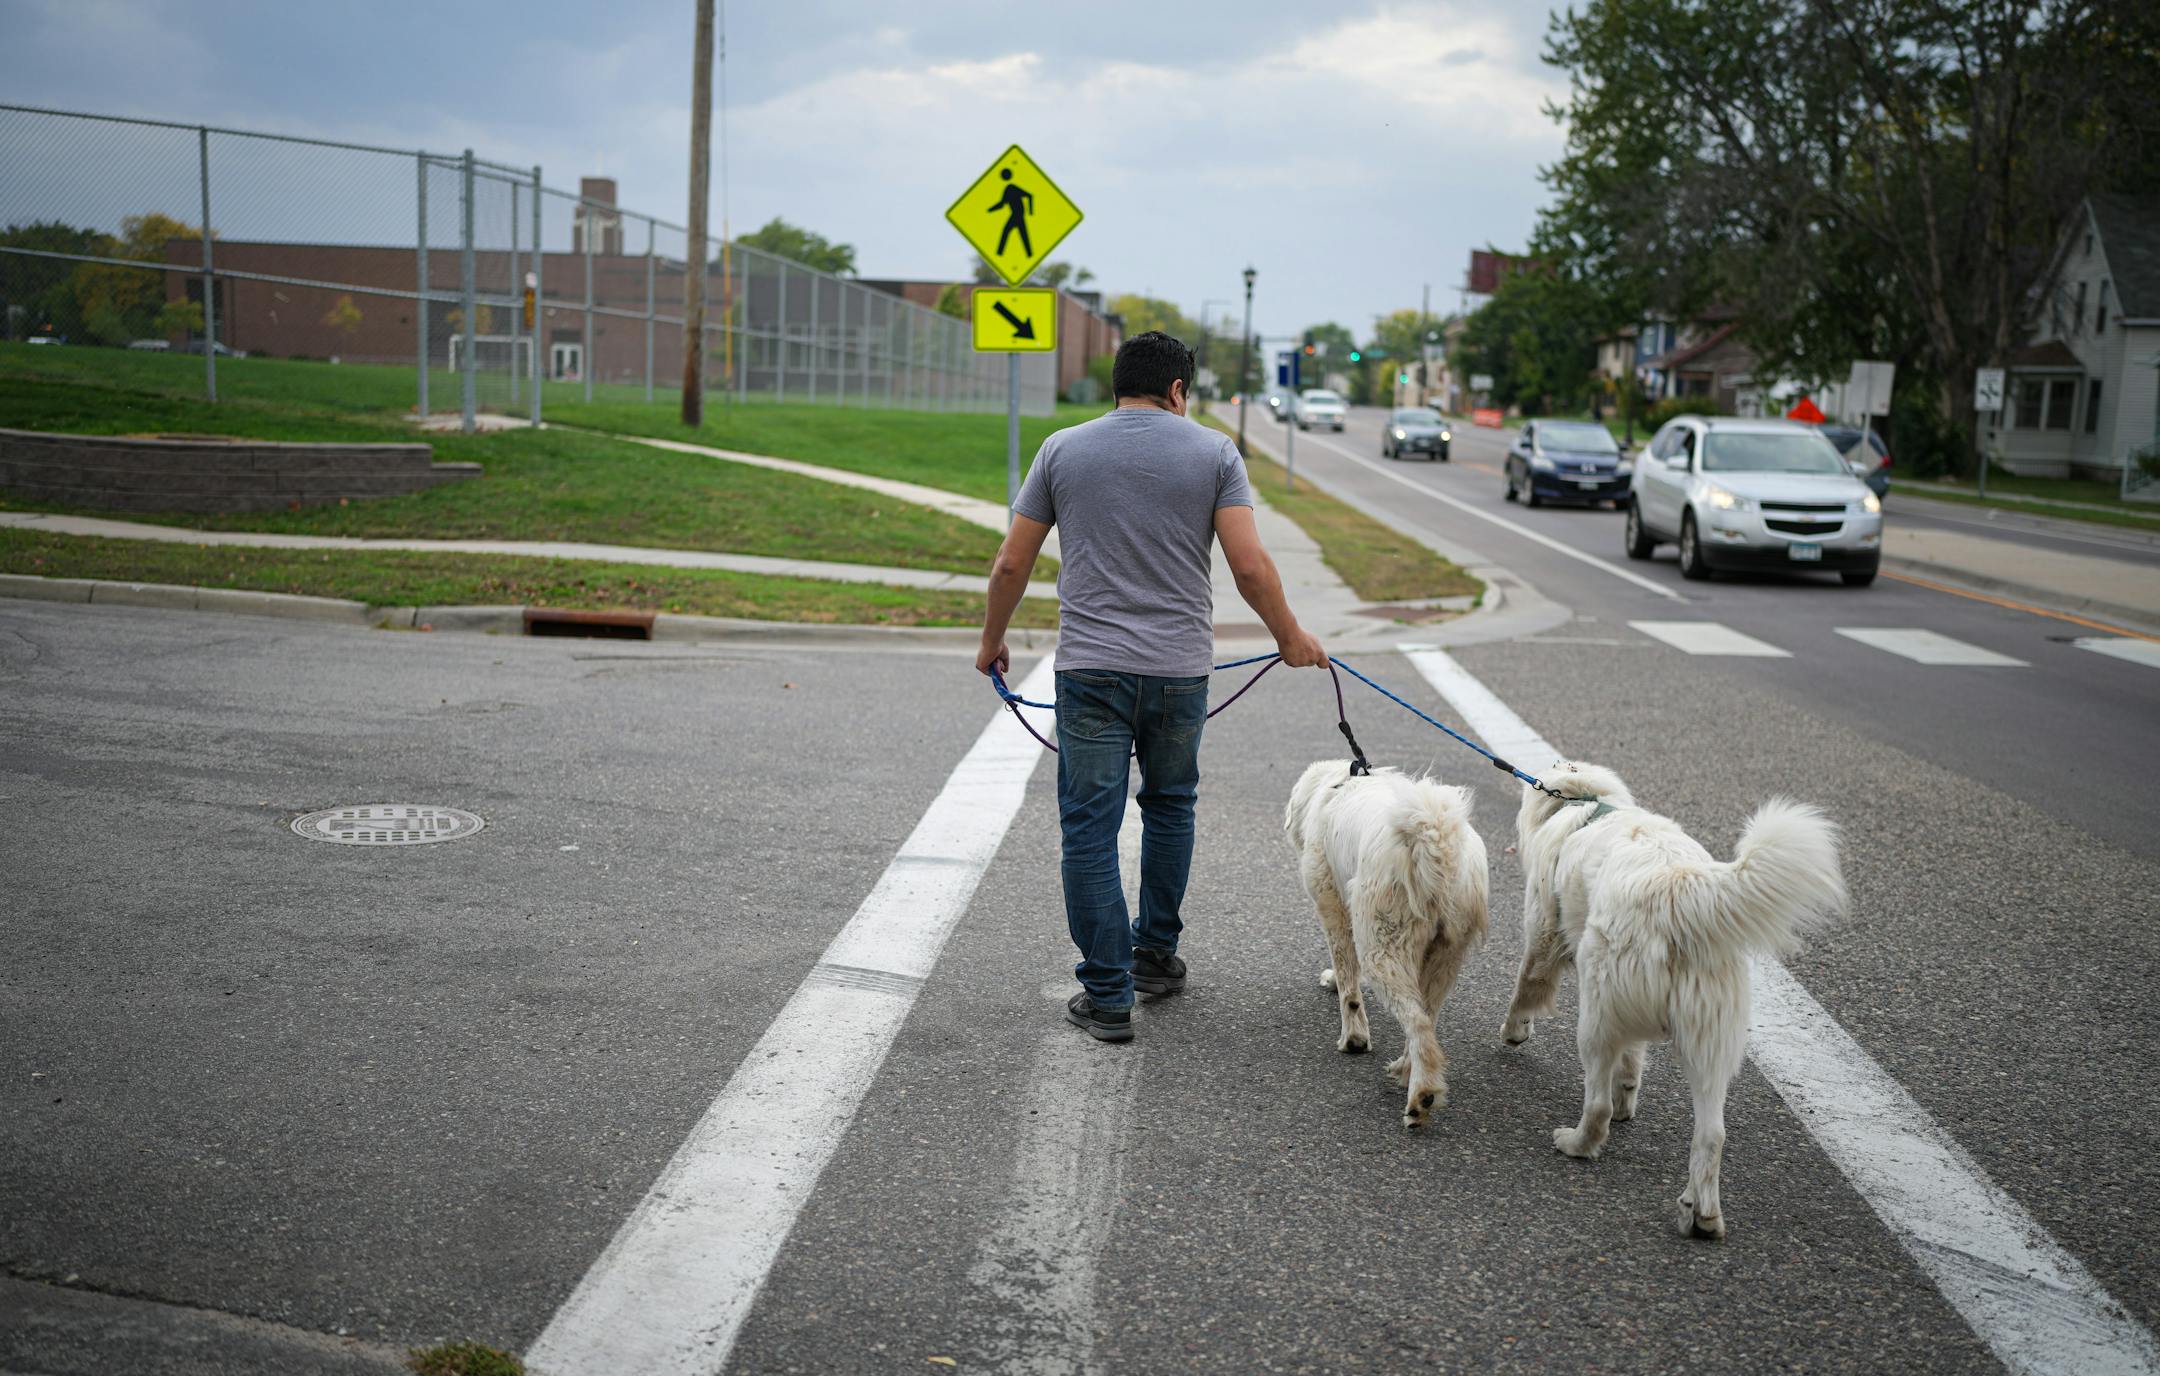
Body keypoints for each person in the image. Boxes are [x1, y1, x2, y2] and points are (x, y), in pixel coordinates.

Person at [975, 331, 1328, 1043]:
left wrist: (992, 643)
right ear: (1177, 391)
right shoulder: (1215, 454)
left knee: (1089, 828)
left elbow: (1012, 564)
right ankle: (1155, 956)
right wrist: (1290, 637)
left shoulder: (1062, 450)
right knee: (1170, 807)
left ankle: (1108, 996)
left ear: (1115, 387)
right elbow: (1250, 567)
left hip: (1092, 670)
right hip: (1178, 674)